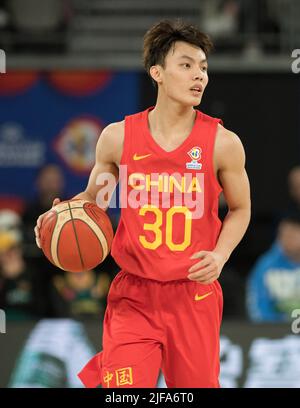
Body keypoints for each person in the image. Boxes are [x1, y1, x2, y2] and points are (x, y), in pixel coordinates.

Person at [35, 20, 251, 388]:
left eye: (203, 67)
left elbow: (241, 208)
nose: (199, 76)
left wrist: (220, 255)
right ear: (158, 73)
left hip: (193, 294)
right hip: (134, 294)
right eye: (186, 65)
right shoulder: (118, 138)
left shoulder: (223, 142)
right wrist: (61, 214)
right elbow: (96, 200)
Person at [246, 212, 300, 322]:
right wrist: (271, 330)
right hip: (275, 332)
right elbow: (256, 303)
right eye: (282, 235)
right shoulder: (266, 265)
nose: (286, 240)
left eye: (292, 235)